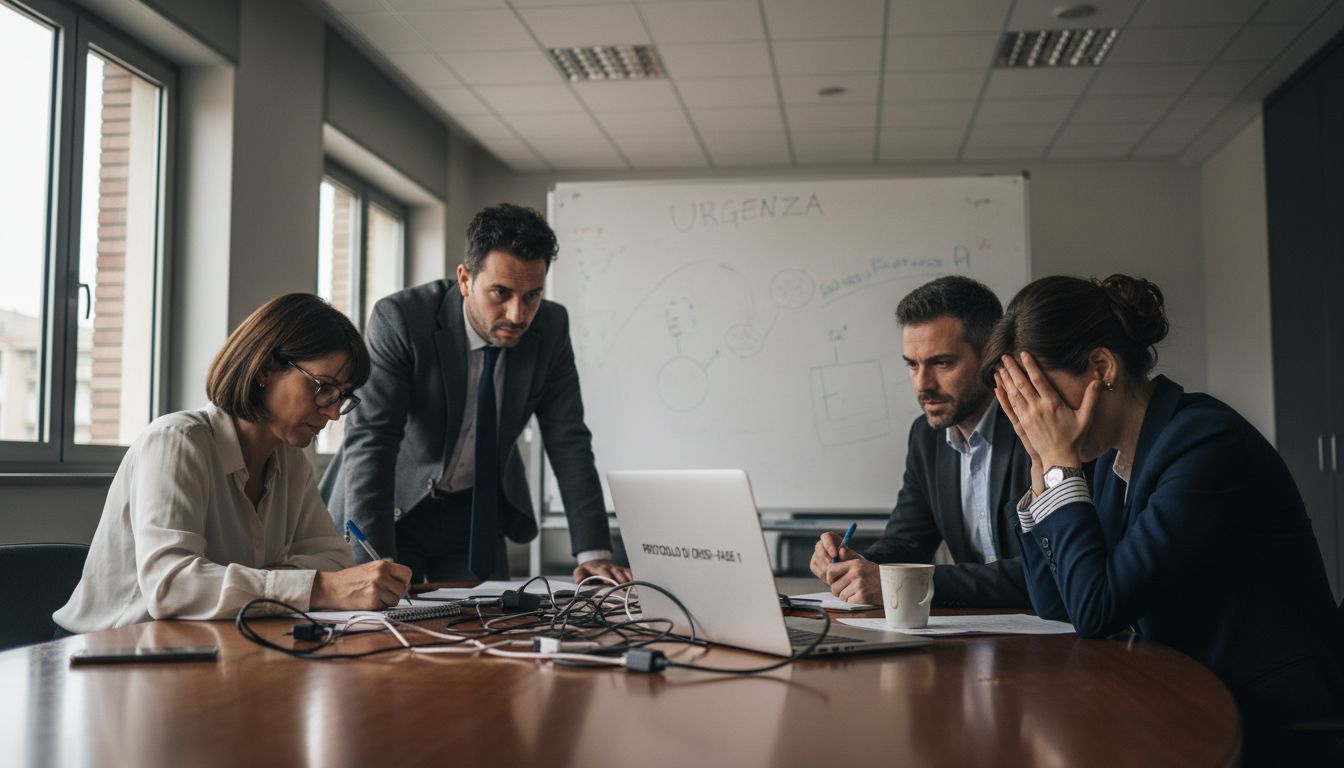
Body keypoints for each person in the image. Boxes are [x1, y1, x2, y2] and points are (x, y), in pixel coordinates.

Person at [987, 273, 1344, 764]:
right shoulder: (1112, 460)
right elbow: (1058, 603)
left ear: (1101, 366)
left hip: (1268, 716)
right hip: (1186, 699)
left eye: (1042, 395)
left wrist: (1059, 466)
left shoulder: (1204, 442)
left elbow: (1098, 609)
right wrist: (1039, 468)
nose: (1036, 416)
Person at [54, 294, 412, 633]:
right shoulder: (177, 442)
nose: (334, 412)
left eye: (343, 397)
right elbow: (172, 585)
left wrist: (240, 580)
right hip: (105, 653)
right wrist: (313, 586)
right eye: (324, 388)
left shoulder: (290, 459)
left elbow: (335, 560)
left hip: (202, 645)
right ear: (265, 369)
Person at [321, 203, 629, 584]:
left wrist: (594, 553)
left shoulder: (550, 328)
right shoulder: (402, 319)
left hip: (474, 515)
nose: (518, 314)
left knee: (492, 628)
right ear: (465, 279)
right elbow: (372, 441)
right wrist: (373, 561)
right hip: (393, 508)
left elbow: (568, 439)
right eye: (501, 292)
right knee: (382, 631)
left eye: (532, 295)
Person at [809, 276, 1032, 608]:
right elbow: (906, 542)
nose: (923, 384)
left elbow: (1041, 570)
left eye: (941, 363)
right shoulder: (926, 437)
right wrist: (854, 563)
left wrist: (905, 584)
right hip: (979, 636)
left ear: (989, 356)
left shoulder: (1034, 427)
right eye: (912, 365)